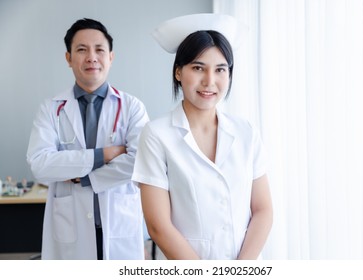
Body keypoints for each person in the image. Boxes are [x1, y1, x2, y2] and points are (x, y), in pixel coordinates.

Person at [132, 13, 273, 260]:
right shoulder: (156, 135)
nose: (209, 81)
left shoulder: (246, 132)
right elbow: (158, 226)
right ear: (178, 72)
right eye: (198, 68)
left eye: (220, 69)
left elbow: (263, 209)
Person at [26, 18, 149, 260]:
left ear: (111, 57)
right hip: (71, 226)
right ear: (68, 58)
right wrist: (104, 154)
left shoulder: (132, 107)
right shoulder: (51, 109)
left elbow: (139, 162)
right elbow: (39, 165)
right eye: (81, 50)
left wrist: (84, 177)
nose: (91, 57)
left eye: (99, 49)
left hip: (118, 225)